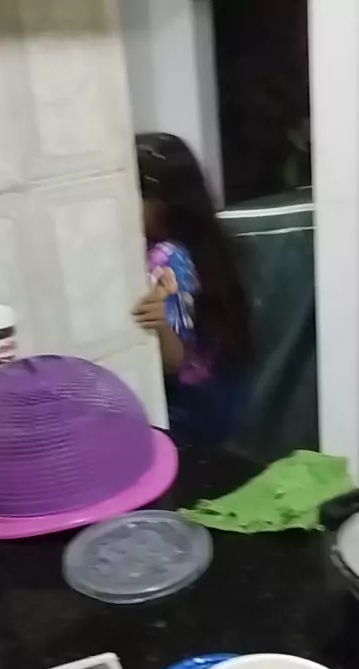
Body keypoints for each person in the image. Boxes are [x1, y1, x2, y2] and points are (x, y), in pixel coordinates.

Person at [132, 132, 253, 442]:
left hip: (192, 408)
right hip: (224, 393)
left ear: (160, 204)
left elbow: (173, 362)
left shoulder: (166, 257)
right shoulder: (208, 245)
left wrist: (158, 322)